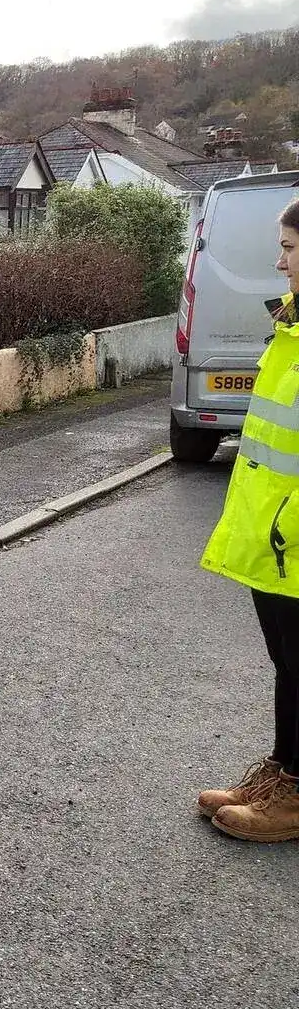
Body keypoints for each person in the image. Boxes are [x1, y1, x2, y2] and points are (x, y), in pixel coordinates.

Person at [198, 197, 299, 843]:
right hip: (276, 534)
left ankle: (294, 796)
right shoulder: (291, 328)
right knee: (288, 662)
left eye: (289, 248)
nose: (280, 262)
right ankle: (283, 772)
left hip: (293, 535)